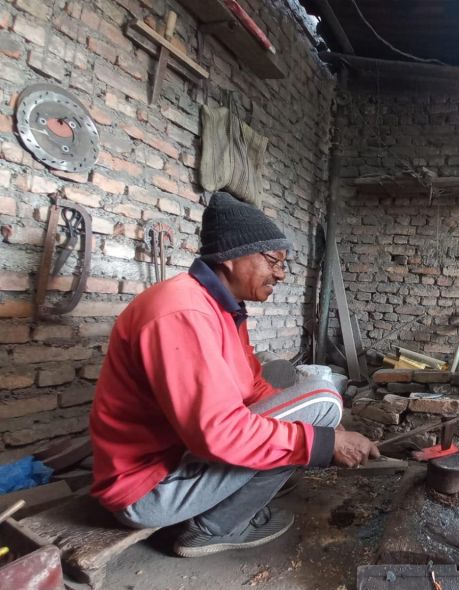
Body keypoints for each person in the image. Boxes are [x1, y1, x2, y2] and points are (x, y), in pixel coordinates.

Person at [89, 192, 379, 558]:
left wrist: (325, 433)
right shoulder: (182, 312)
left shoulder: (223, 310)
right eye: (273, 260)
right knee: (322, 399)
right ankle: (213, 527)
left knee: (315, 419)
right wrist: (322, 442)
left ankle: (225, 503)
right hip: (149, 489)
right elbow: (218, 433)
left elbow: (253, 388)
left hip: (177, 459)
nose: (280, 273)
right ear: (230, 257)